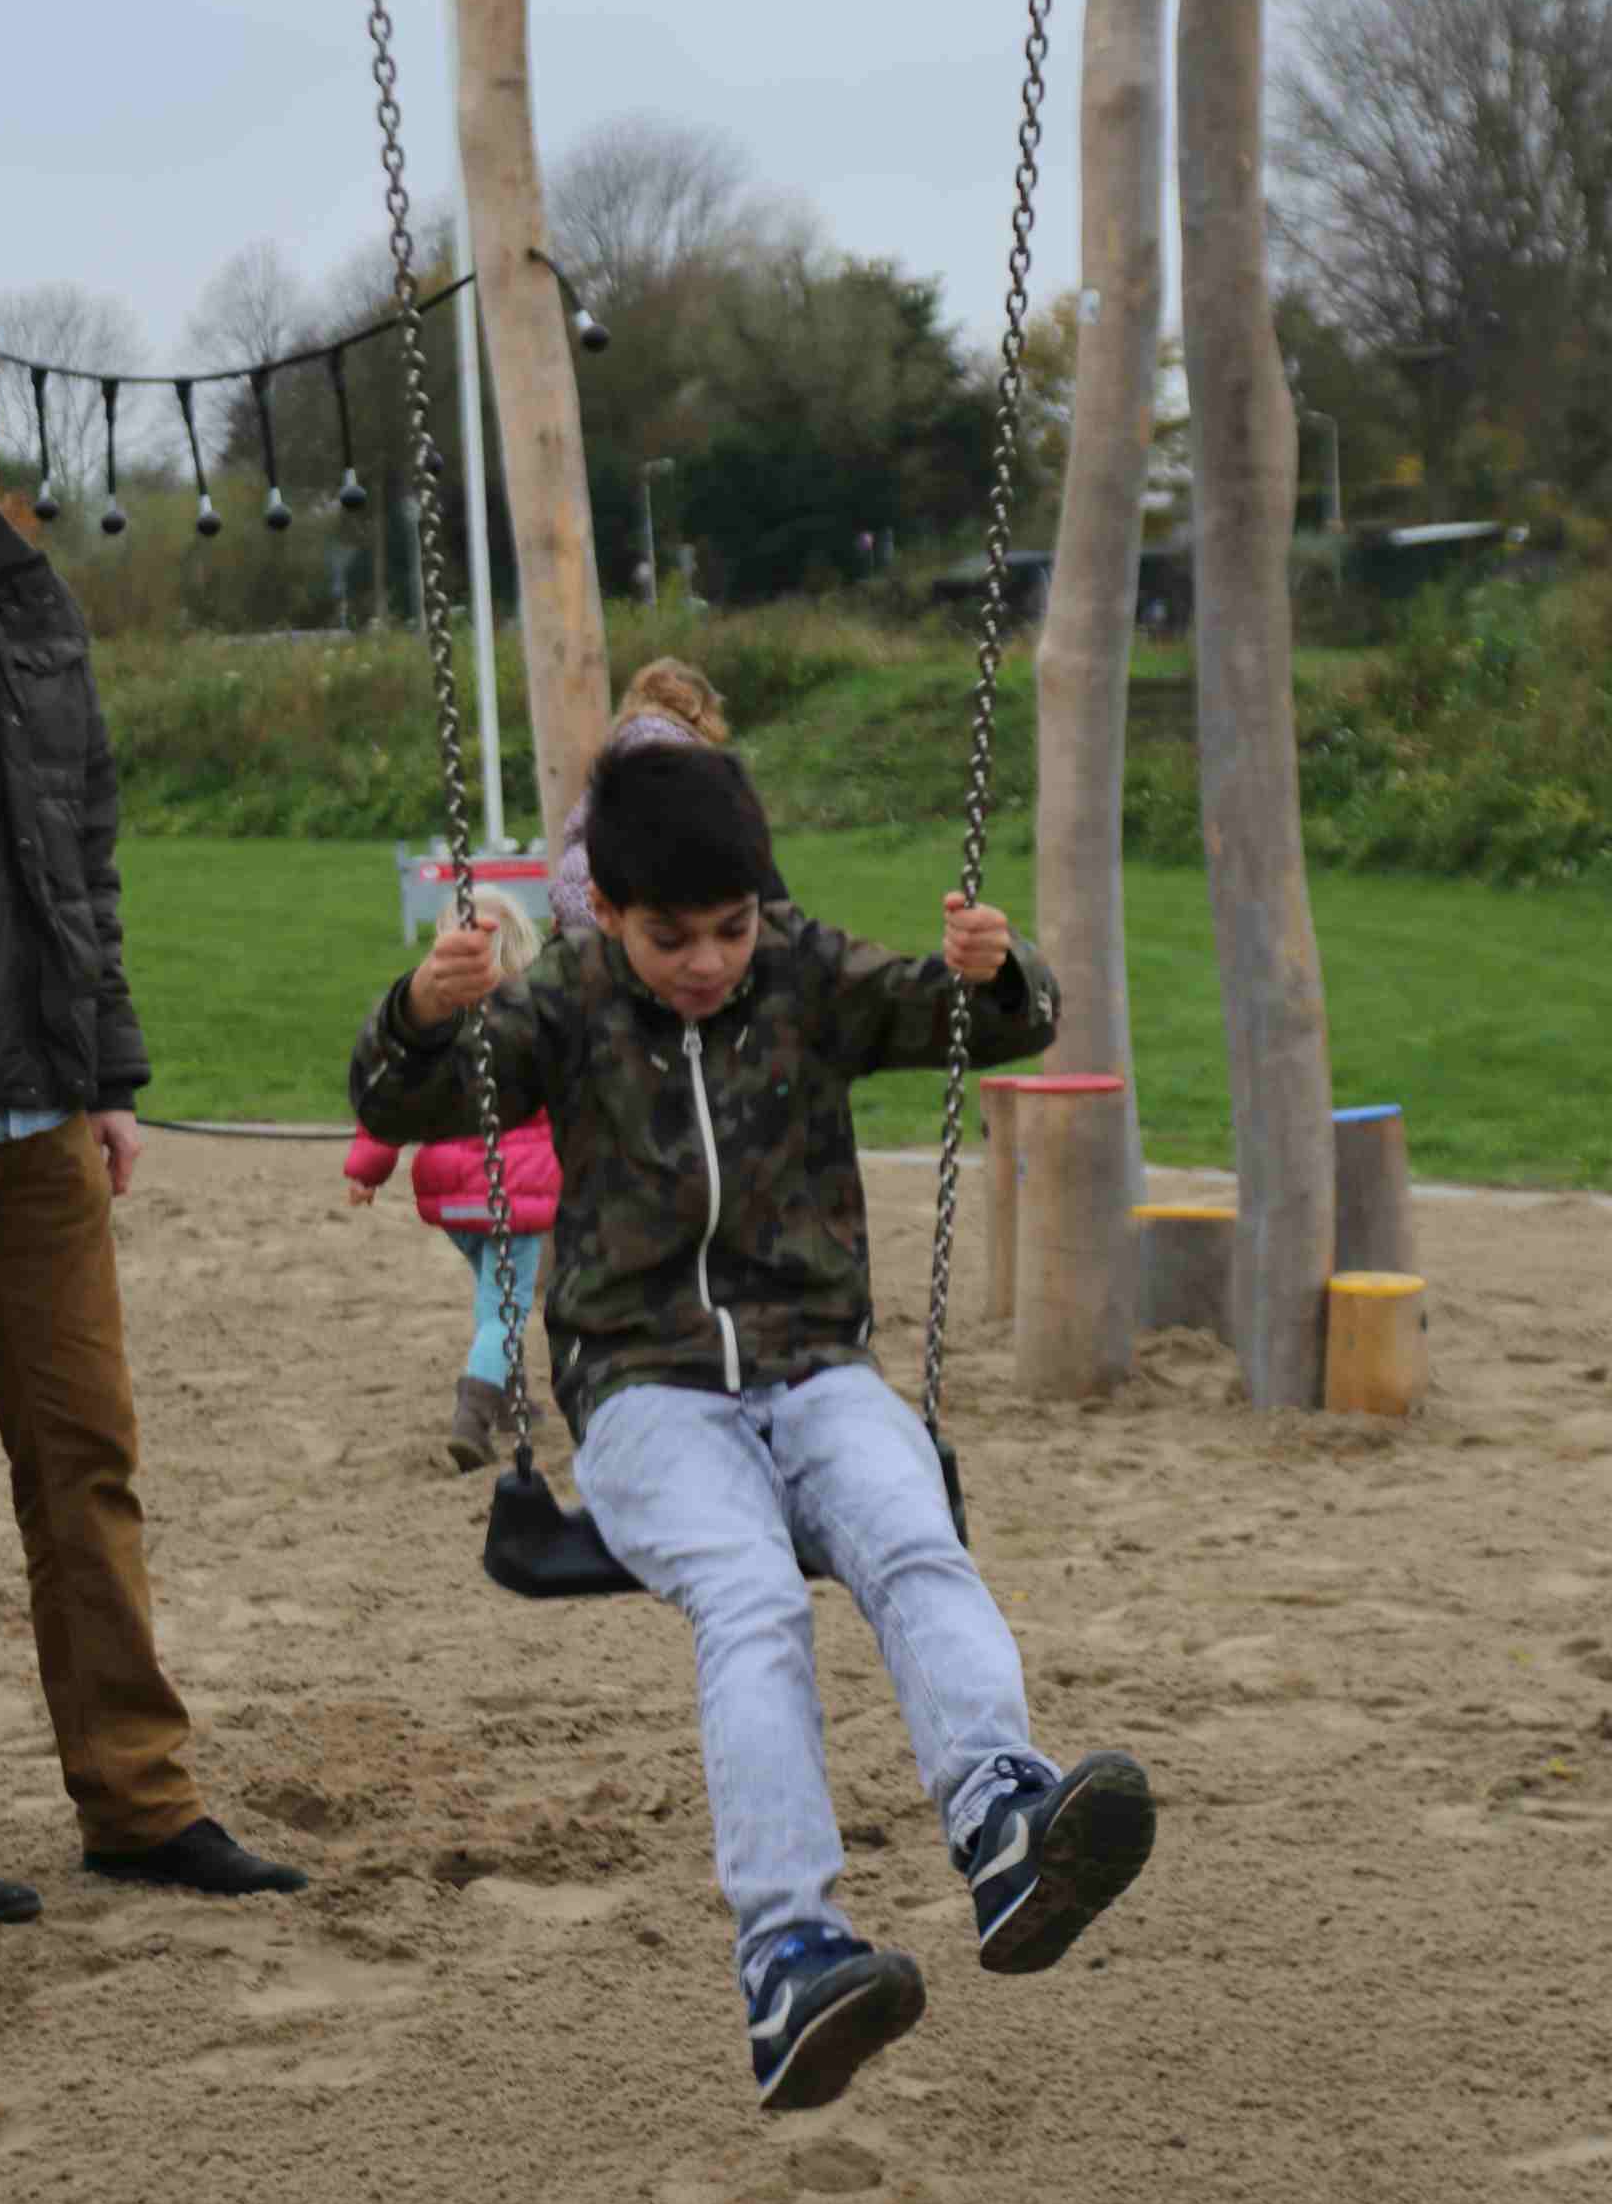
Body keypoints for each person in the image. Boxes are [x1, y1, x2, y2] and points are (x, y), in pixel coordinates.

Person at [349, 740, 1156, 2112]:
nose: (709, 963)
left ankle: (1004, 1817)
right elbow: (405, 1099)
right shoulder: (568, 1003)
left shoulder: (802, 972)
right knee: (752, 1601)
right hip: (642, 1388)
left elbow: (992, 1025)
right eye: (672, 938)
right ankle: (789, 1953)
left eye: (731, 929)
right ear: (609, 912)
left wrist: (995, 971)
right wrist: (424, 1010)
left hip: (815, 1365)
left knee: (913, 1537)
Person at [0, 249, 307, 1924]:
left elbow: (83, 847)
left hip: (43, 1114)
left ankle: (137, 1799)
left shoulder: (28, 592)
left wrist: (110, 1069)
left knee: (89, 1465)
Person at [344, 894, 561, 1470]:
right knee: (505, 1310)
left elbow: (393, 1107)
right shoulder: (534, 1025)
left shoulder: (434, 1029)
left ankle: (512, 1397)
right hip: (514, 1197)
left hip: (453, 1204)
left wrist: (365, 1170)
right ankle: (473, 1417)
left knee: (495, 1297)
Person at [547, 656, 787, 933]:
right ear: (701, 709)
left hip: (580, 903)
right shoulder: (675, 759)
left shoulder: (620, 751)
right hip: (634, 909)